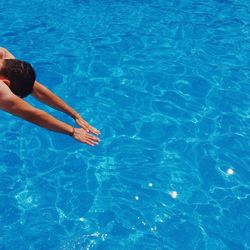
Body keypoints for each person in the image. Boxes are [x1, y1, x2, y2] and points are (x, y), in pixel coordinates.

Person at [0, 47, 100, 146]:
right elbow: (32, 115)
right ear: (6, 83)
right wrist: (73, 131)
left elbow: (36, 89)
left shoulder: (4, 56)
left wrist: (74, 115)